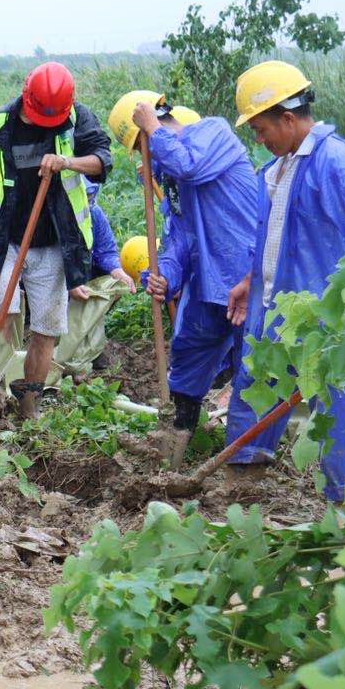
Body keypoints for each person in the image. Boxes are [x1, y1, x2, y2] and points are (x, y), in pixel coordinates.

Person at [224, 62, 345, 499]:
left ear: (288, 118)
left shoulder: (335, 161)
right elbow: (271, 236)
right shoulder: (275, 170)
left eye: (261, 130)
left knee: (335, 404)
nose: (259, 140)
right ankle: (244, 479)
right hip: (273, 303)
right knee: (256, 381)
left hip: (322, 313)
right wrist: (248, 279)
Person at [0, 61, 113, 418]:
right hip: (4, 240)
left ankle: (28, 406)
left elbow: (103, 160)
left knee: (47, 327)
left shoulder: (75, 119)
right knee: (2, 316)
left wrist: (67, 162)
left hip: (54, 242)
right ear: (27, 99)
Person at [111, 93, 261, 464]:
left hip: (248, 278)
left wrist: (153, 132)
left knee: (252, 371)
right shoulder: (170, 172)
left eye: (142, 148)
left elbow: (190, 164)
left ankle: (244, 466)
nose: (147, 163)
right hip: (209, 285)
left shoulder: (213, 134)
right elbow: (180, 237)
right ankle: (176, 445)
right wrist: (165, 275)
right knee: (190, 355)